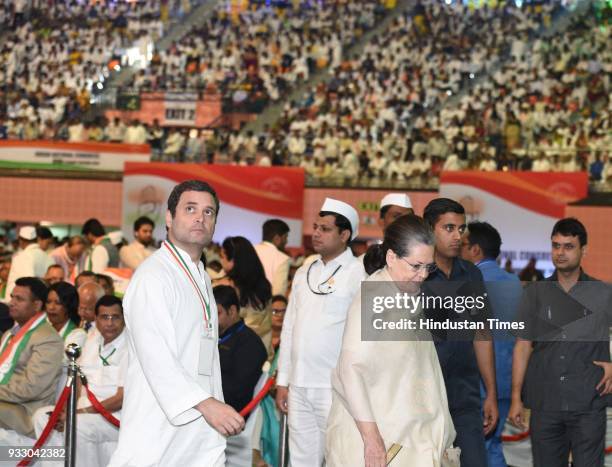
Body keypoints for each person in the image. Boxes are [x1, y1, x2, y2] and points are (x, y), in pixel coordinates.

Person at [109, 180, 244, 466]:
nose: (200, 217)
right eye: (191, 208)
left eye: (209, 212)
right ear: (169, 218)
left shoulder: (202, 275)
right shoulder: (153, 275)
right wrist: (207, 404)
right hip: (161, 423)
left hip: (201, 422)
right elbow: (155, 355)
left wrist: (210, 402)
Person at [327, 215, 455, 466]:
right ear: (391, 257)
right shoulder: (373, 300)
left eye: (429, 267)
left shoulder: (408, 294)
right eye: (416, 266)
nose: (423, 275)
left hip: (410, 433)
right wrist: (372, 439)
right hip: (379, 441)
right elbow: (350, 371)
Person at [509, 218, 612, 467]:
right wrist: (515, 397)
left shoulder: (603, 293)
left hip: (588, 400)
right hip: (546, 404)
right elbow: (523, 346)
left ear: (583, 250)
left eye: (568, 246)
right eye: (556, 246)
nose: (560, 253)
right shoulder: (534, 293)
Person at [275, 198, 366, 467]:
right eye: (316, 227)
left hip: (335, 387)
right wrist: (283, 381)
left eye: (325, 229)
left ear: (345, 234)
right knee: (301, 459)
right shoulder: (304, 269)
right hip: (299, 384)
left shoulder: (359, 272)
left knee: (341, 458)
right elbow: (289, 326)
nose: (316, 233)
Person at [423, 198, 498, 467]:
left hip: (465, 395)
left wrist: (490, 392)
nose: (457, 236)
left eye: (461, 229)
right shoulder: (414, 275)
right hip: (423, 398)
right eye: (449, 228)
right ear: (430, 229)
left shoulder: (472, 276)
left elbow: (481, 334)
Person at [33, 294, 128, 467]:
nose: (109, 323)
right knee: (43, 417)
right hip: (82, 410)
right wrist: (64, 410)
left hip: (112, 417)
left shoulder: (131, 348)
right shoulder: (92, 338)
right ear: (96, 319)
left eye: (115, 317)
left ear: (124, 319)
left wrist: (77, 414)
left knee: (77, 425)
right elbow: (77, 381)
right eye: (104, 317)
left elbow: (120, 399)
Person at [461, 221, 523, 467]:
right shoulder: (514, 283)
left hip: (477, 383)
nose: (458, 249)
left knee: (473, 449)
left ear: (475, 250)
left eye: (463, 244)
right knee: (493, 445)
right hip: (507, 379)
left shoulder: (469, 283)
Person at [0, 277, 63, 438]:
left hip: (24, 411)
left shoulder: (48, 338)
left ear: (37, 305)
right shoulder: (9, 333)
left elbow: (30, 388)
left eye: (19, 299)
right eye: (12, 297)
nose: (12, 302)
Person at [214, 285, 267, 415]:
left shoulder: (250, 343)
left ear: (232, 311)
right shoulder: (212, 336)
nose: (211, 319)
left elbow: (236, 391)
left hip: (229, 413)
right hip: (210, 403)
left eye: (217, 313)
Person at [217, 236, 273, 357]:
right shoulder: (264, 285)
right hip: (262, 349)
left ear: (233, 259)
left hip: (231, 350)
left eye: (222, 256)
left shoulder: (224, 286)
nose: (220, 261)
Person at [5, 226, 53, 298]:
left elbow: (27, 282)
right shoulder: (49, 258)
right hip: (39, 300)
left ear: (20, 240)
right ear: (36, 239)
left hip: (20, 302)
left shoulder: (21, 256)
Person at [254, 219, 291, 296]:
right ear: (277, 238)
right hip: (267, 306)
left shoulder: (249, 250)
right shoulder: (282, 259)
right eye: (285, 237)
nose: (286, 242)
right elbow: (278, 293)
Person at [46, 281, 87, 348]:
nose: (51, 307)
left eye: (58, 303)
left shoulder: (78, 335)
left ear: (69, 306)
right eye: (48, 302)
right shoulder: (43, 330)